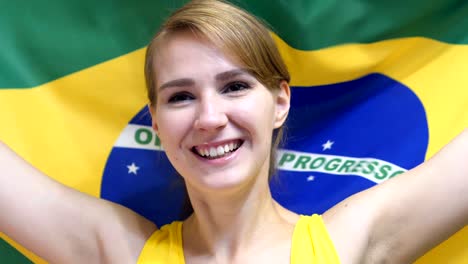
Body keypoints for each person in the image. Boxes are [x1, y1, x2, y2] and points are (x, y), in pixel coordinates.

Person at [1, 0, 467, 263]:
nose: (209, 117)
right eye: (181, 96)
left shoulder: (347, 245)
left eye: (235, 86)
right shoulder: (118, 252)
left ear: (280, 101)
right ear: (157, 120)